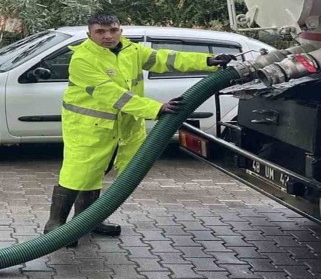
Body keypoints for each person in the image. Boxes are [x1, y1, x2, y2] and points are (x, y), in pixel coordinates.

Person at [43, 13, 235, 241]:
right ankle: (55, 226)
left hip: (125, 126)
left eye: (113, 30)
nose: (108, 36)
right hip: (89, 127)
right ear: (89, 34)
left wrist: (206, 62)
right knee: (78, 173)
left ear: (120, 31)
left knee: (98, 173)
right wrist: (156, 108)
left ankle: (87, 221)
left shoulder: (131, 51)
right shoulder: (83, 59)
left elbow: (166, 59)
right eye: (100, 32)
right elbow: (112, 94)